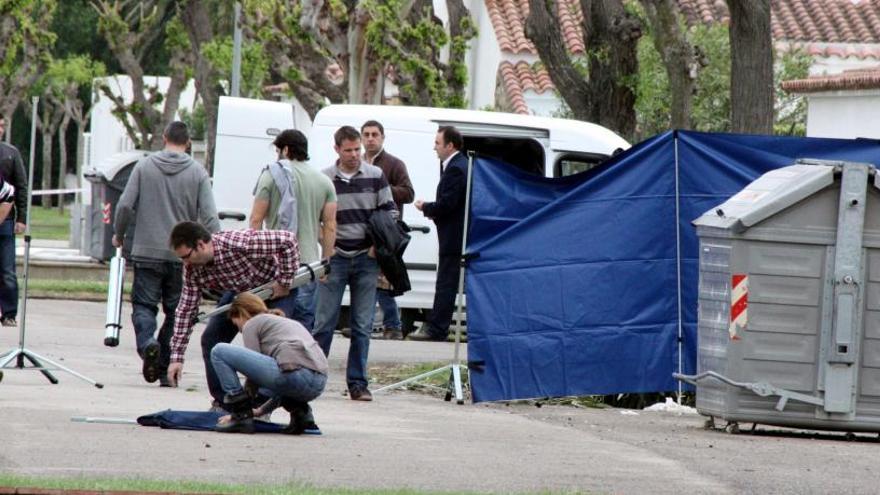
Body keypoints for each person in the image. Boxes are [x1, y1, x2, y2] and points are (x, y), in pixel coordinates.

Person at [113, 121, 220, 386]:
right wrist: (214, 249)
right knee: (176, 311)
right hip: (182, 256)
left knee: (143, 305)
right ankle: (163, 369)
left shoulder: (144, 166)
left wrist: (119, 233)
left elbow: (125, 204)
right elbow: (209, 216)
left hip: (146, 250)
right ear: (188, 143)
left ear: (164, 137)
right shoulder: (197, 172)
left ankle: (148, 343)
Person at [166, 221, 300, 411]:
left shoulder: (240, 243)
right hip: (241, 293)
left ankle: (262, 404)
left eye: (187, 257)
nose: (185, 263)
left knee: (273, 343)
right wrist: (176, 357)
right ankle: (226, 401)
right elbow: (186, 309)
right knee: (211, 337)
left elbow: (288, 240)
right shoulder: (192, 270)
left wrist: (285, 281)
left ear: (201, 245)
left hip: (274, 290)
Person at [312, 126, 397, 401]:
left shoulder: (375, 176)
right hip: (334, 258)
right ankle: (313, 377)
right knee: (324, 323)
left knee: (362, 325)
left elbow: (390, 212)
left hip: (365, 258)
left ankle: (358, 383)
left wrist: (376, 247)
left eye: (357, 149)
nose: (354, 155)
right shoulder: (324, 178)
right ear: (336, 149)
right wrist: (325, 245)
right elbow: (313, 216)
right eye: (348, 150)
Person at [249, 129, 337, 330]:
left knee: (276, 323)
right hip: (309, 264)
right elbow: (330, 225)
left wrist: (254, 258)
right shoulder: (324, 181)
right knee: (303, 322)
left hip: (276, 263)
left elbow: (256, 219)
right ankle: (300, 360)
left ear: (286, 150)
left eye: (278, 150)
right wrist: (326, 261)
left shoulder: (271, 175)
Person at [211, 292, 328, 434]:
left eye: (237, 324)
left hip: (296, 376)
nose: (240, 331)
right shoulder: (287, 323)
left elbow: (253, 377)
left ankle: (240, 417)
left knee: (219, 351)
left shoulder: (252, 323)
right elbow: (284, 381)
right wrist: (260, 411)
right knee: (283, 371)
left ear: (242, 314)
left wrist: (241, 412)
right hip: (317, 384)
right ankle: (301, 413)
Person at [410, 126, 468, 342]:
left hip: (453, 237)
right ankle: (437, 326)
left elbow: (448, 204)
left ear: (450, 145)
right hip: (453, 235)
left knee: (446, 284)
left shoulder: (456, 168)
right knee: (448, 283)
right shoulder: (456, 165)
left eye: (437, 143)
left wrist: (426, 207)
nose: (434, 147)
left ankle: (437, 329)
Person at [362, 120, 414, 341]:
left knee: (383, 279)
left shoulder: (394, 164)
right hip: (362, 230)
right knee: (368, 279)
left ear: (382, 137)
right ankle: (369, 323)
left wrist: (382, 187)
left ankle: (391, 324)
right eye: (366, 134)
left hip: (385, 230)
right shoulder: (357, 162)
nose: (370, 138)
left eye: (375, 134)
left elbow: (408, 193)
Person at [0, 114, 27, 328]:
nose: (0, 129)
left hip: (5, 222)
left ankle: (9, 312)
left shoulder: (11, 153)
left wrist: (22, 218)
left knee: (7, 270)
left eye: (2, 126)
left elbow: (21, 186)